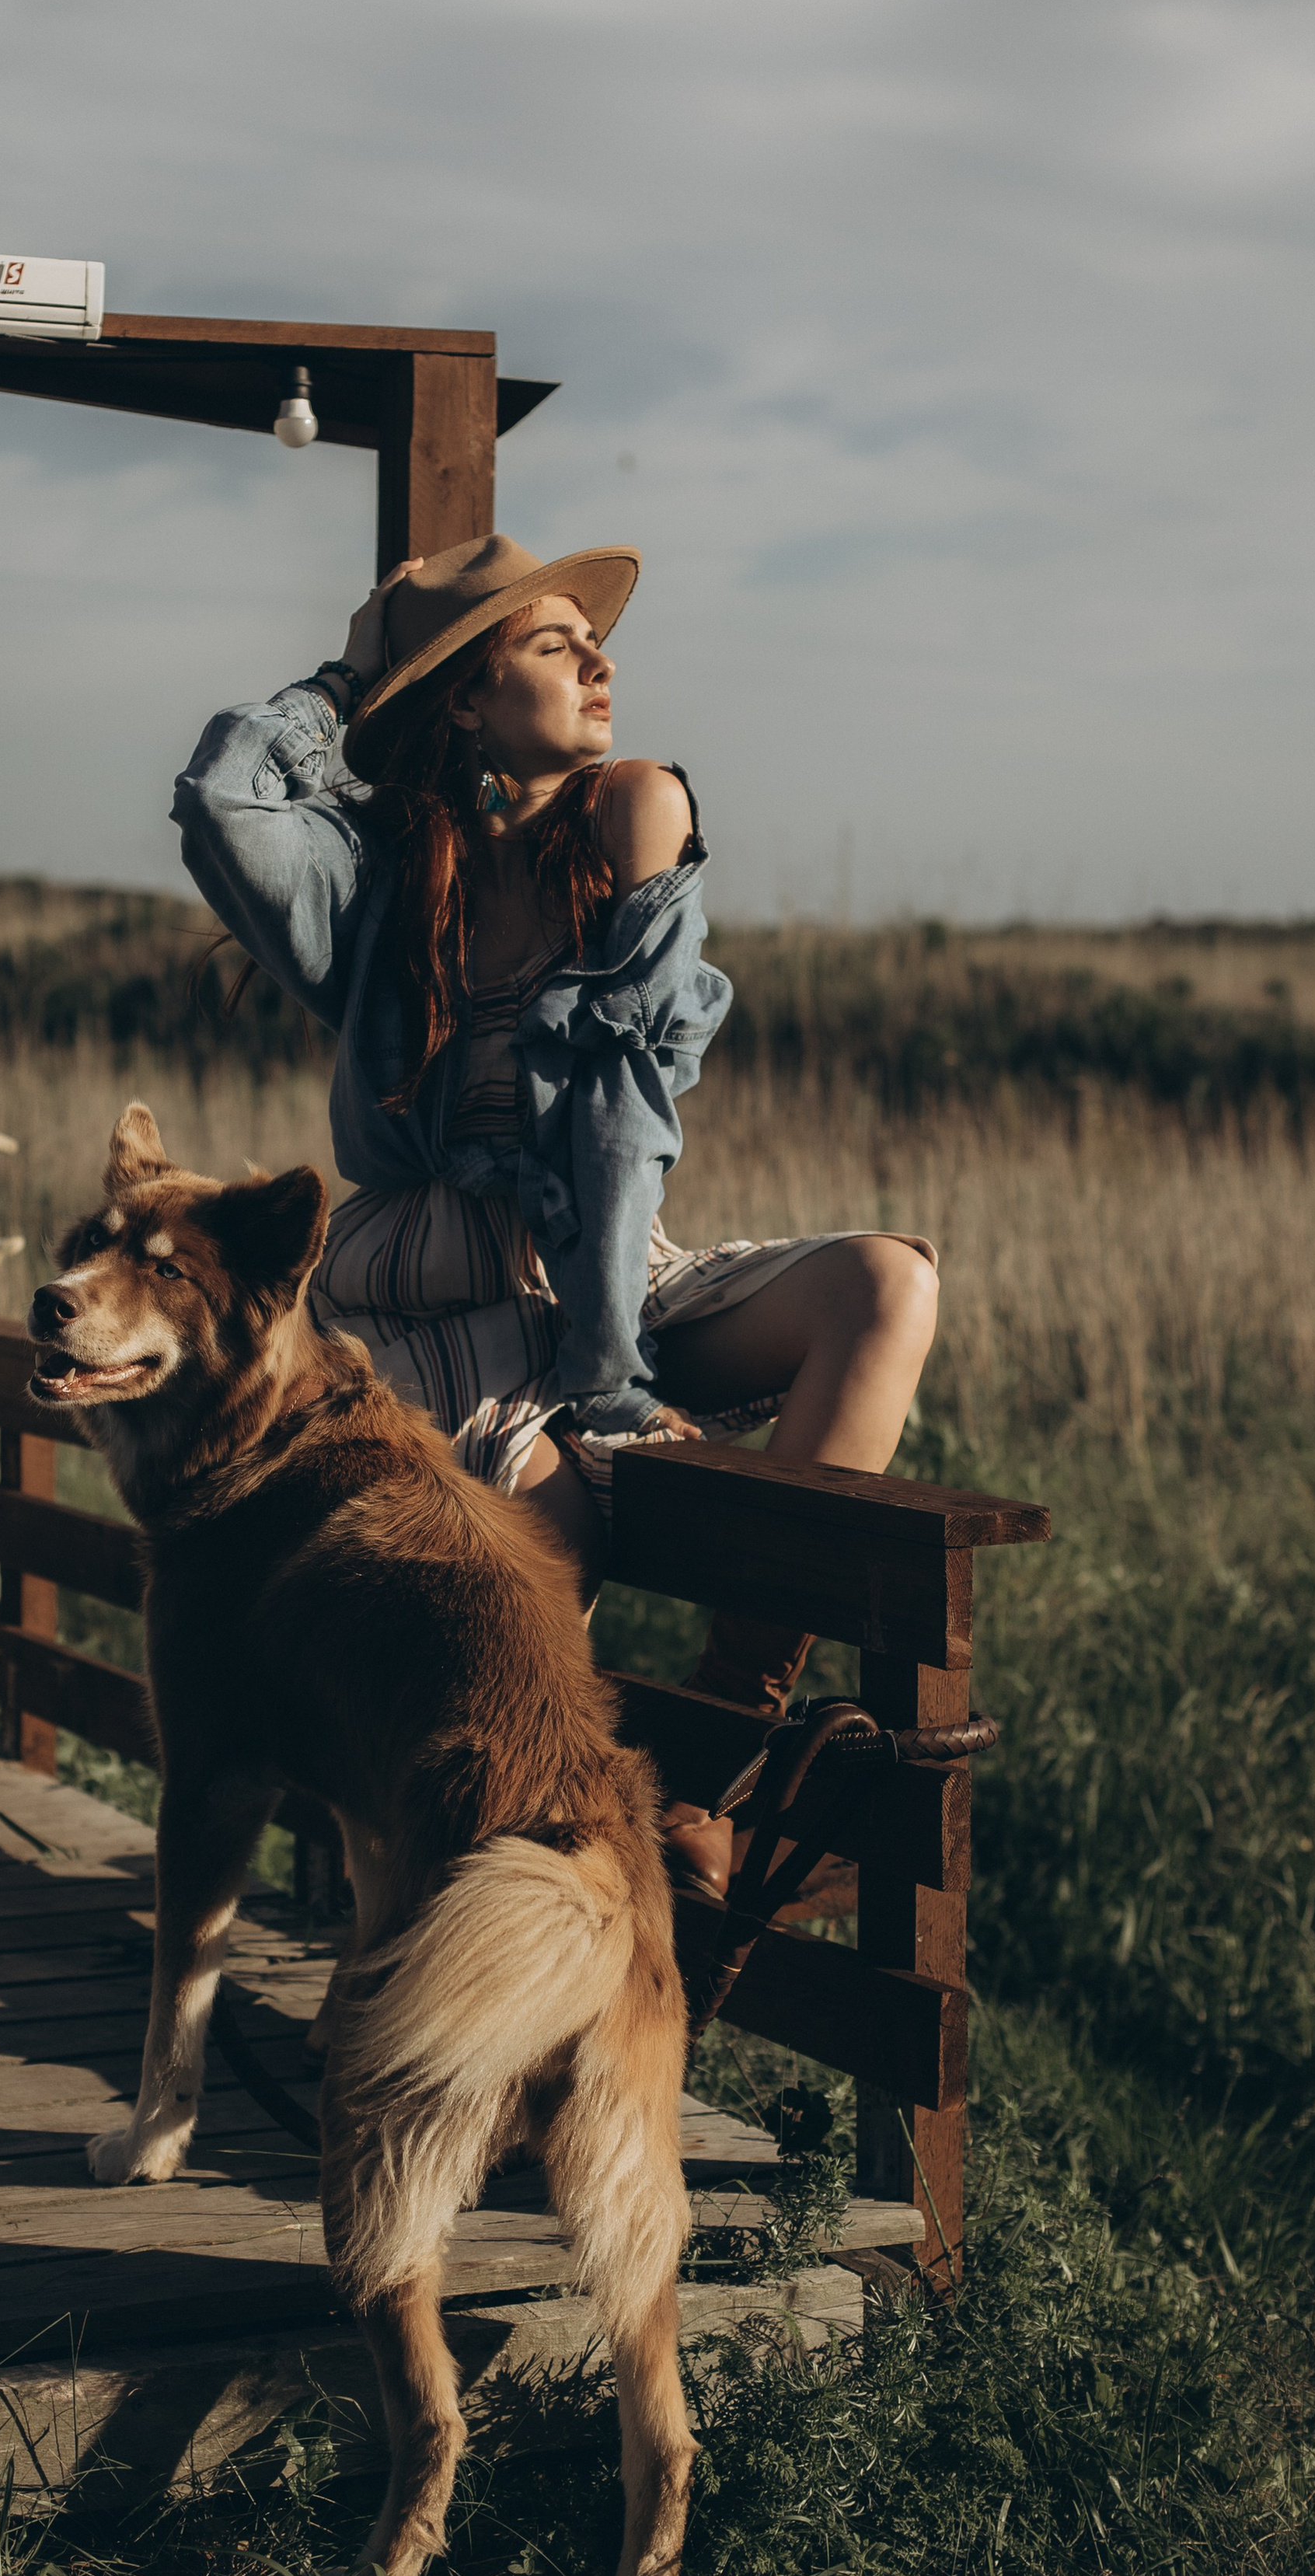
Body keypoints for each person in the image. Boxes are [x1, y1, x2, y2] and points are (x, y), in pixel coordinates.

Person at [173, 534, 938, 1894]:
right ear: (467, 698)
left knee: (887, 1286)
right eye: (552, 643)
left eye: (596, 640)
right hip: (430, 1288)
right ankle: (484, 1905)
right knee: (533, 1577)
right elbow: (223, 799)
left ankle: (716, 1752)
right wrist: (348, 678)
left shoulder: (630, 813)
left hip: (596, 1261)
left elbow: (617, 1125)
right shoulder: (378, 880)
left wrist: (609, 1374)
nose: (600, 663)